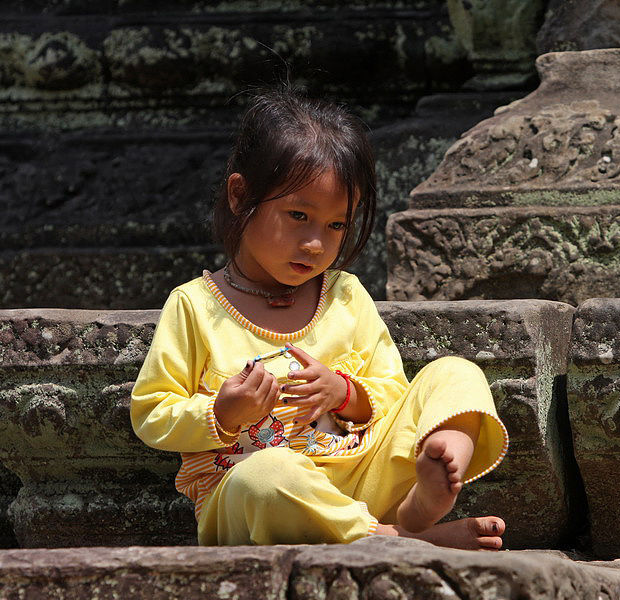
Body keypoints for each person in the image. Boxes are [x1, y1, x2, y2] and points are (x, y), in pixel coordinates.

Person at [130, 88, 509, 550]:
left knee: (456, 373)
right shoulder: (195, 306)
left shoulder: (345, 295)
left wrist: (345, 392)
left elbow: (393, 390)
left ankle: (433, 484)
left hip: (361, 478)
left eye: (335, 225)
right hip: (262, 499)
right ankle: (394, 537)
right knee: (267, 473)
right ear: (239, 195)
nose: (315, 243)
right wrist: (222, 412)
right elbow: (151, 412)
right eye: (298, 215)